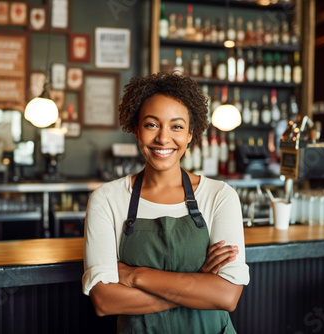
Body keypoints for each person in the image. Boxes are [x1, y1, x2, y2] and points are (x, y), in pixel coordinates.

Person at [82, 72, 249, 333]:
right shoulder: (106, 199)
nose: (163, 138)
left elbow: (226, 297)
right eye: (151, 125)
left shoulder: (219, 196)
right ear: (136, 130)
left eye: (177, 126)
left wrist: (133, 275)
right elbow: (105, 300)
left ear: (191, 133)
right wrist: (199, 285)